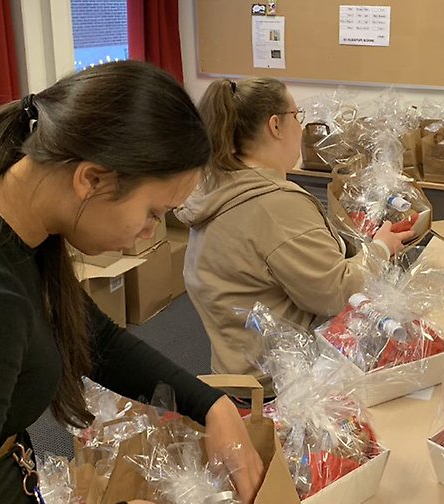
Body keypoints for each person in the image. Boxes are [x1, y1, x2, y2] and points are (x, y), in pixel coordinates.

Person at [0, 61, 263, 503]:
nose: (150, 232)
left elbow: (85, 333)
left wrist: (210, 404)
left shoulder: (14, 228)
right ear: (92, 179)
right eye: (153, 213)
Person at [176, 78, 413, 398]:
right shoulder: (275, 204)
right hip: (284, 382)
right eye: (297, 116)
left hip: (234, 369)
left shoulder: (219, 187)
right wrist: (381, 248)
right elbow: (336, 292)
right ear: (275, 125)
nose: (300, 127)